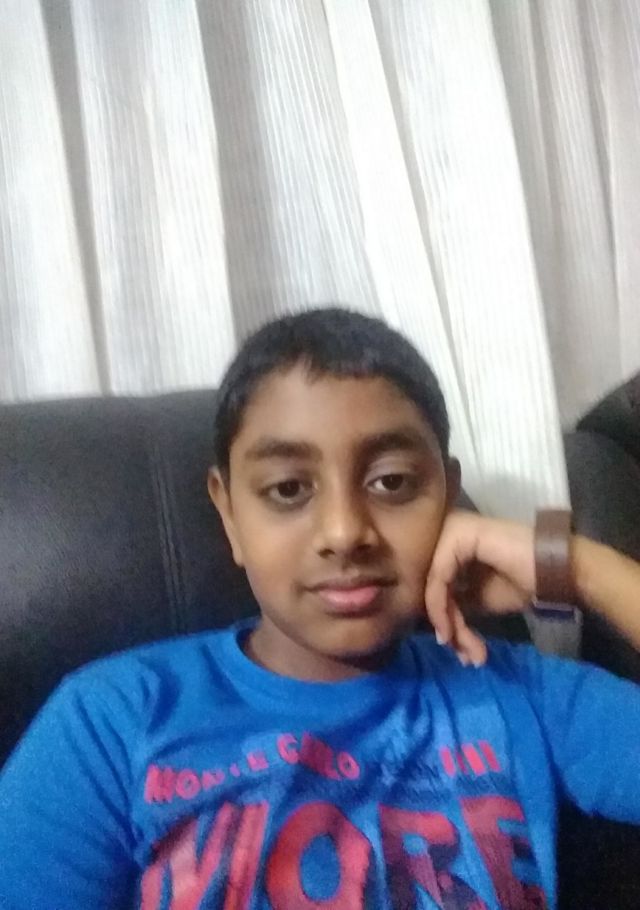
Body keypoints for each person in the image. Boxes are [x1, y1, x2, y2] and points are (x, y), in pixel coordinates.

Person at [0, 306, 639, 910]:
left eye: (391, 482)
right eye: (287, 489)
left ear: (446, 493)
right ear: (229, 512)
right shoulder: (112, 720)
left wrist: (576, 568)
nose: (344, 531)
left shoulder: (518, 693)